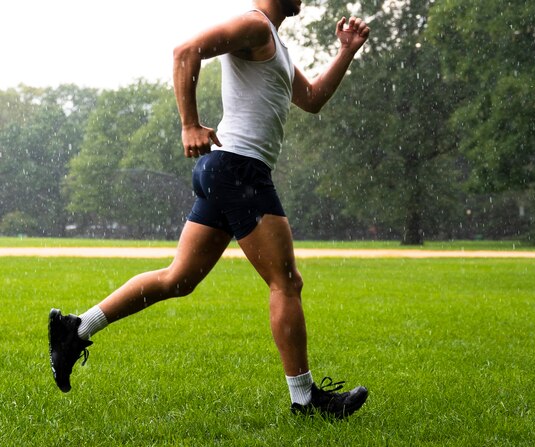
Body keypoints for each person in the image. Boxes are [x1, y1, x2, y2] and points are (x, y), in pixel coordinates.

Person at [48, 0, 370, 419]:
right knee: (286, 281)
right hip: (239, 169)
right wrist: (189, 124)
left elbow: (310, 99)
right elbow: (186, 51)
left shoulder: (274, 42)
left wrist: (345, 51)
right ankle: (305, 399)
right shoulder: (253, 25)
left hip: (226, 171)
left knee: (177, 279)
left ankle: (76, 329)